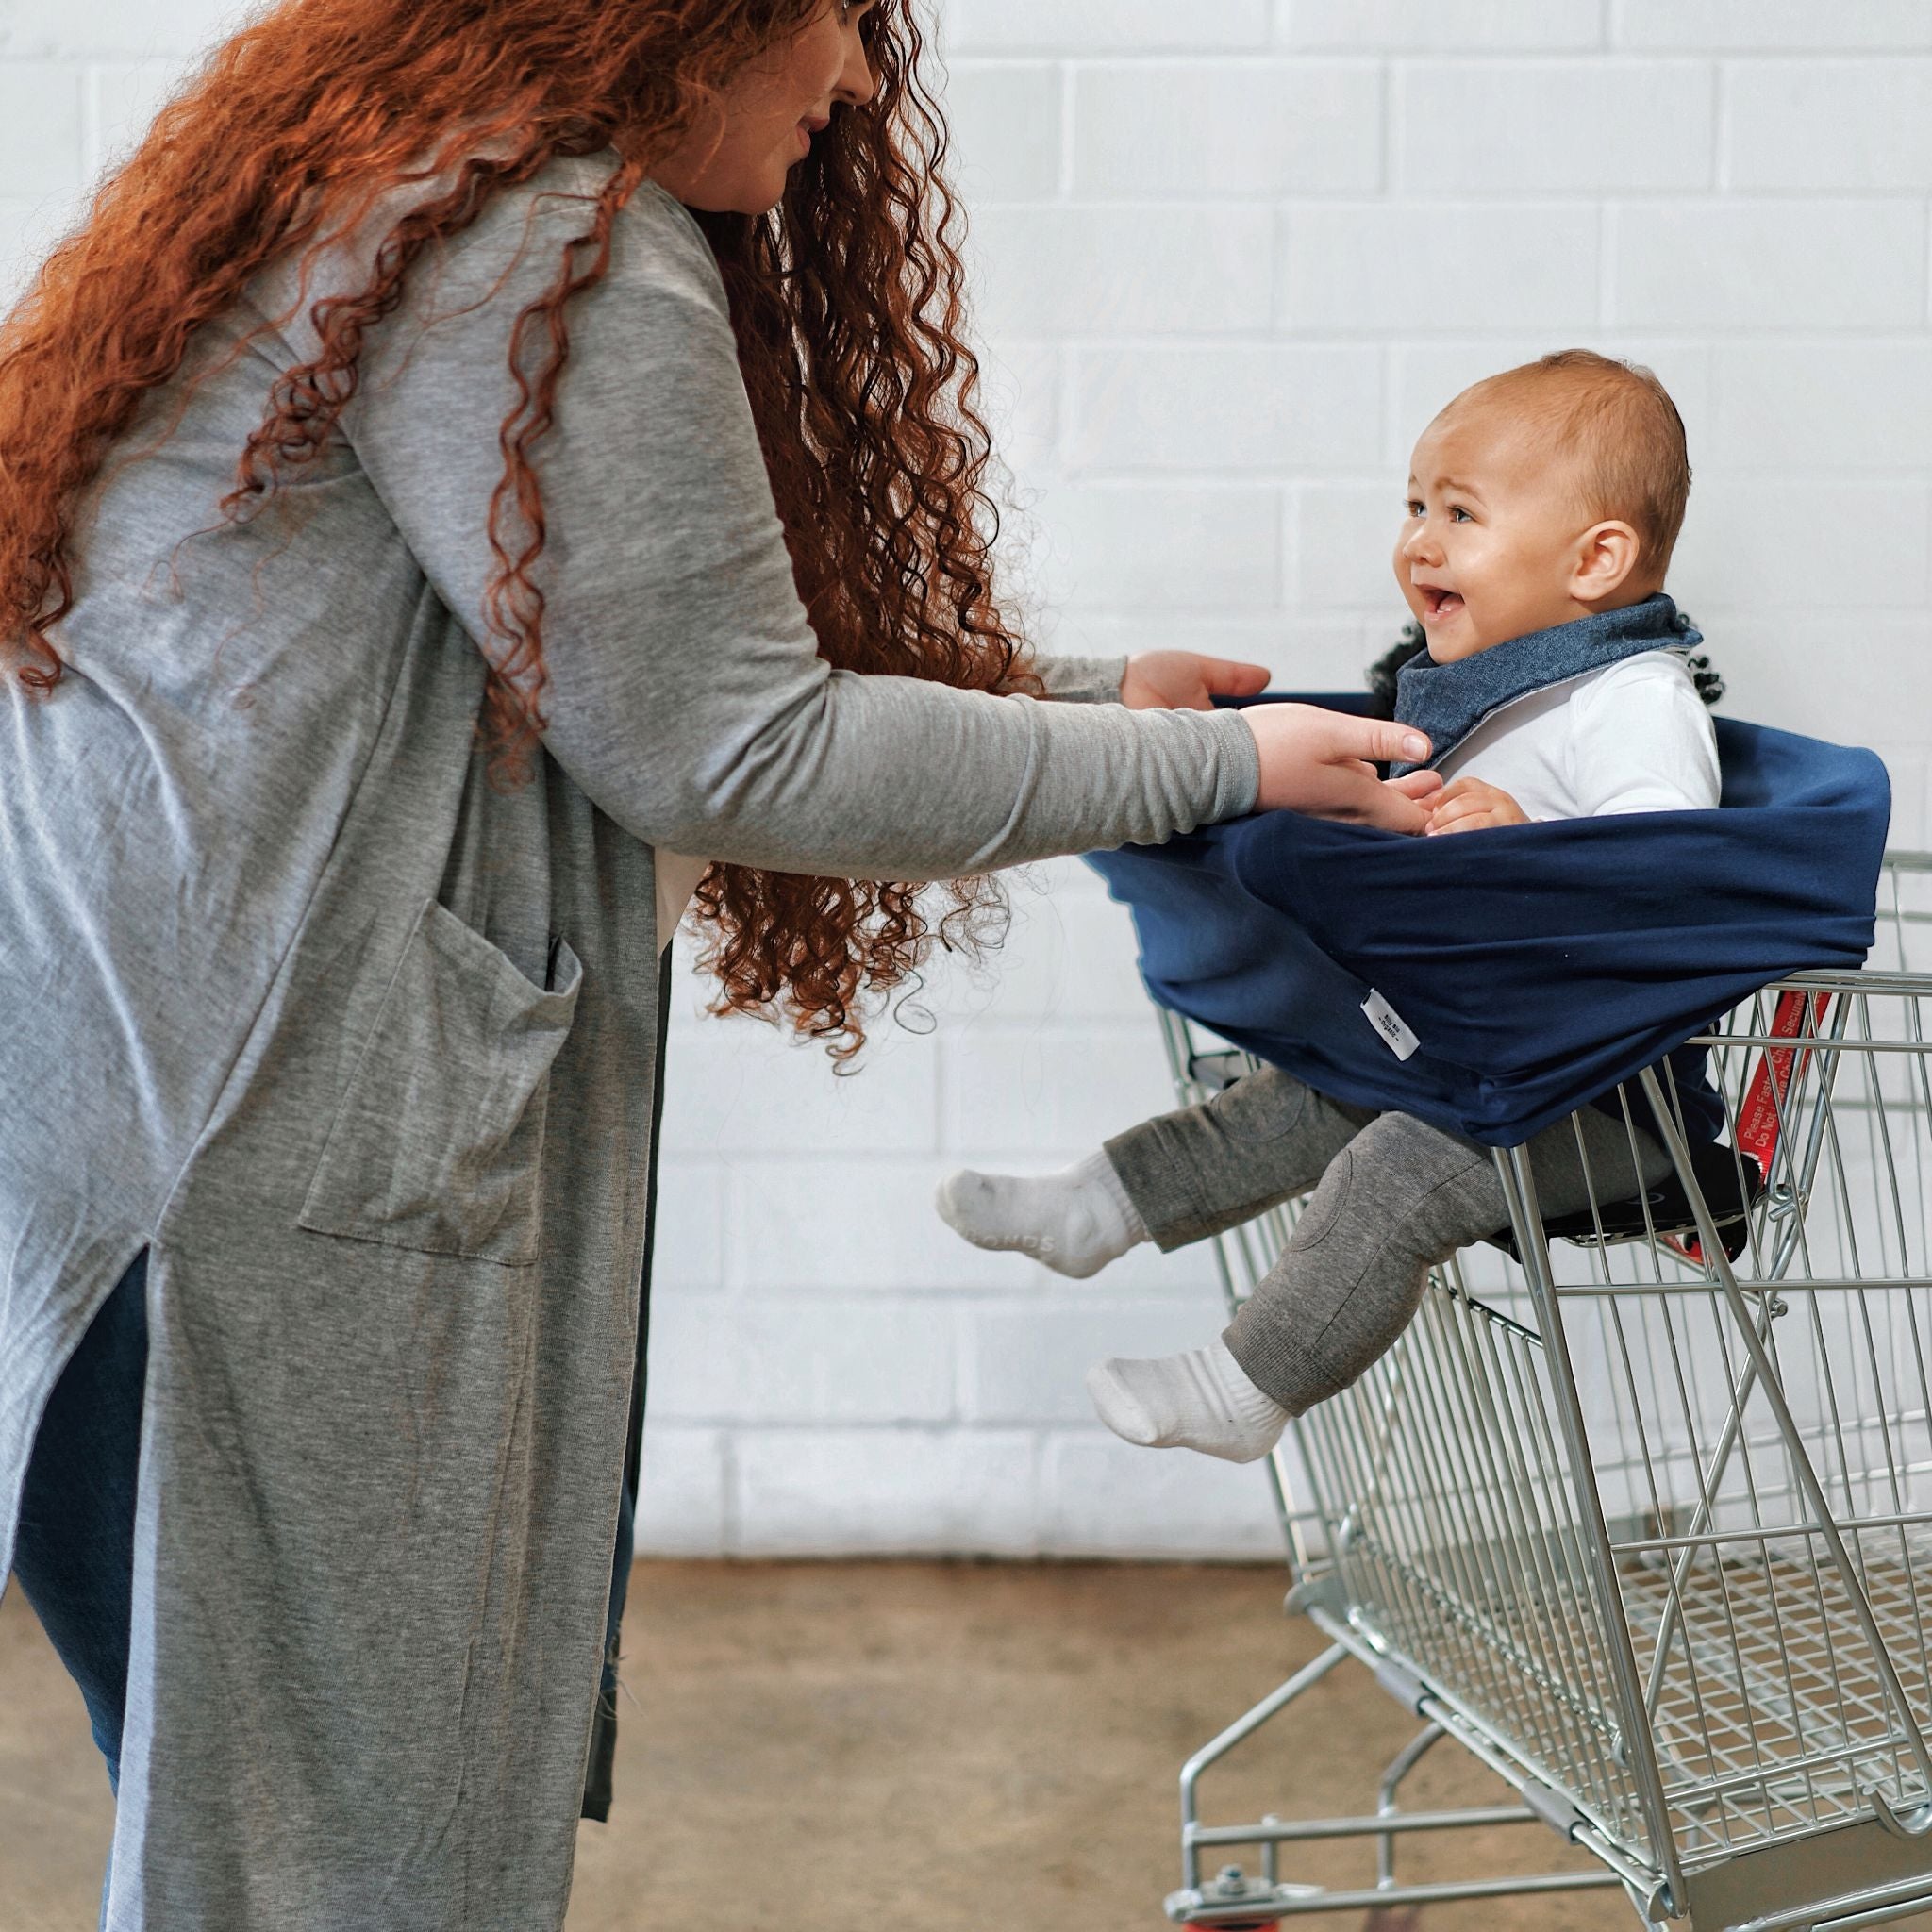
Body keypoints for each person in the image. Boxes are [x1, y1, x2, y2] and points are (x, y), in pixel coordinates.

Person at [0, 3, 1440, 1924]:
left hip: (135, 1115)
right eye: (841, 13)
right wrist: (1213, 762)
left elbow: (650, 664)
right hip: (256, 1166)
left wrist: (1083, 700)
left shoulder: (405, 183)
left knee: (262, 1829)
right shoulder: (536, 243)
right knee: (336, 1864)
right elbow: (735, 746)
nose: (855, 80)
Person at [937, 351, 1723, 1465]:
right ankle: (1099, 1204)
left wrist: (1530, 839)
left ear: (1596, 558)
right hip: (1489, 1065)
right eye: (1413, 505)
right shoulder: (1498, 693)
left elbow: (1675, 880)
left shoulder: (1631, 700)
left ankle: (1241, 1386)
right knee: (1306, 1098)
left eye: (1460, 511)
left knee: (1397, 1163)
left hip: (1605, 1112)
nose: (1419, 539)